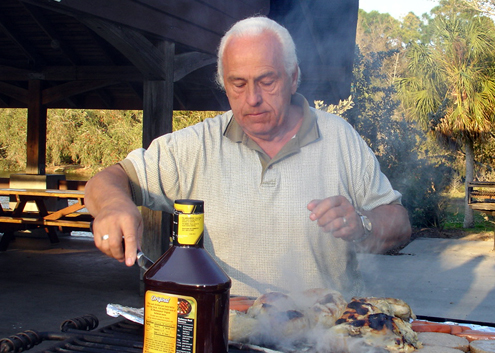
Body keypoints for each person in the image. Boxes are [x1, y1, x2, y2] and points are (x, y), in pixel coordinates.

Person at [84, 16, 411, 297]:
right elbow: (112, 179)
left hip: (328, 338)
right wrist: (114, 205)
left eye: (266, 81)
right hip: (228, 339)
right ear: (223, 84)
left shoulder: (339, 137)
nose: (252, 99)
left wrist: (362, 225)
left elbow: (399, 223)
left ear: (293, 77)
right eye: (237, 84)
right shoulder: (199, 145)